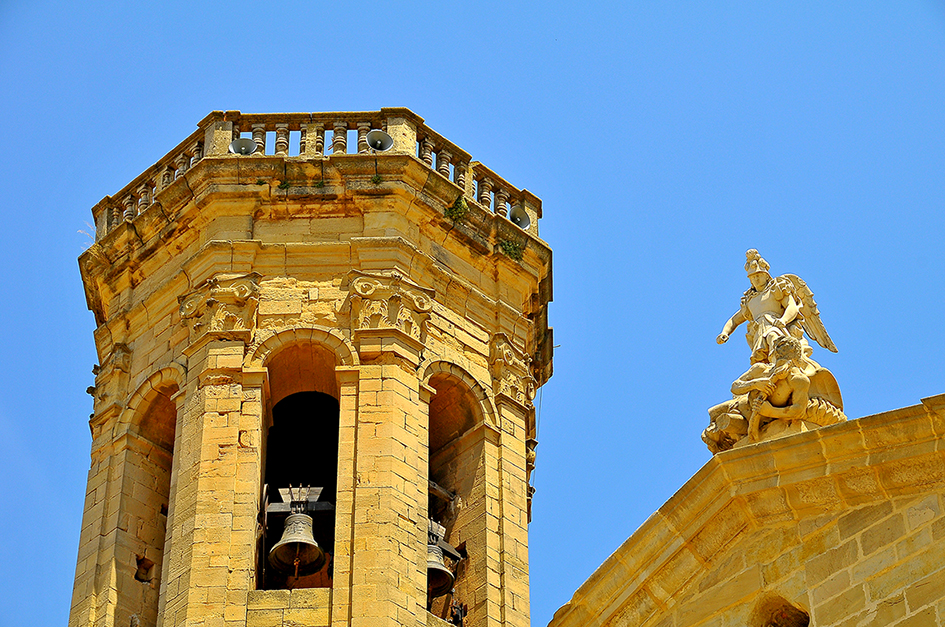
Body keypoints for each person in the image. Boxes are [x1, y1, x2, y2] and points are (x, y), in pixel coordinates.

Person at [717, 249, 807, 365]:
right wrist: (725, 333)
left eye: (759, 275)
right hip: (758, 331)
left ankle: (780, 362)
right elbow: (735, 320)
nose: (756, 279)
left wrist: (783, 320)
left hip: (775, 324)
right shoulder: (750, 300)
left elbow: (792, 306)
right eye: (753, 277)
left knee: (773, 336)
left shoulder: (776, 289)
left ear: (766, 275)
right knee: (760, 359)